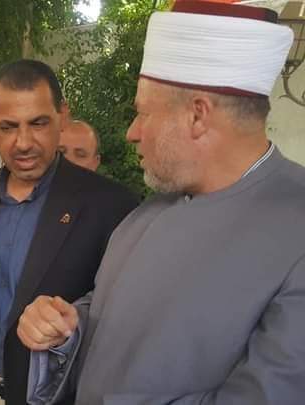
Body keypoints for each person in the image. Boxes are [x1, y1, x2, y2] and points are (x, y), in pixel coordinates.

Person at [19, 2, 305, 404]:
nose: (132, 132)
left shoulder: (296, 228)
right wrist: (66, 325)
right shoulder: (149, 211)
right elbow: (109, 316)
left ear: (197, 116)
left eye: (143, 113)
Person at [0, 59, 139, 405]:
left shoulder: (110, 206)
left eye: (38, 123)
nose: (23, 143)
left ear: (62, 116)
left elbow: (122, 325)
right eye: (7, 127)